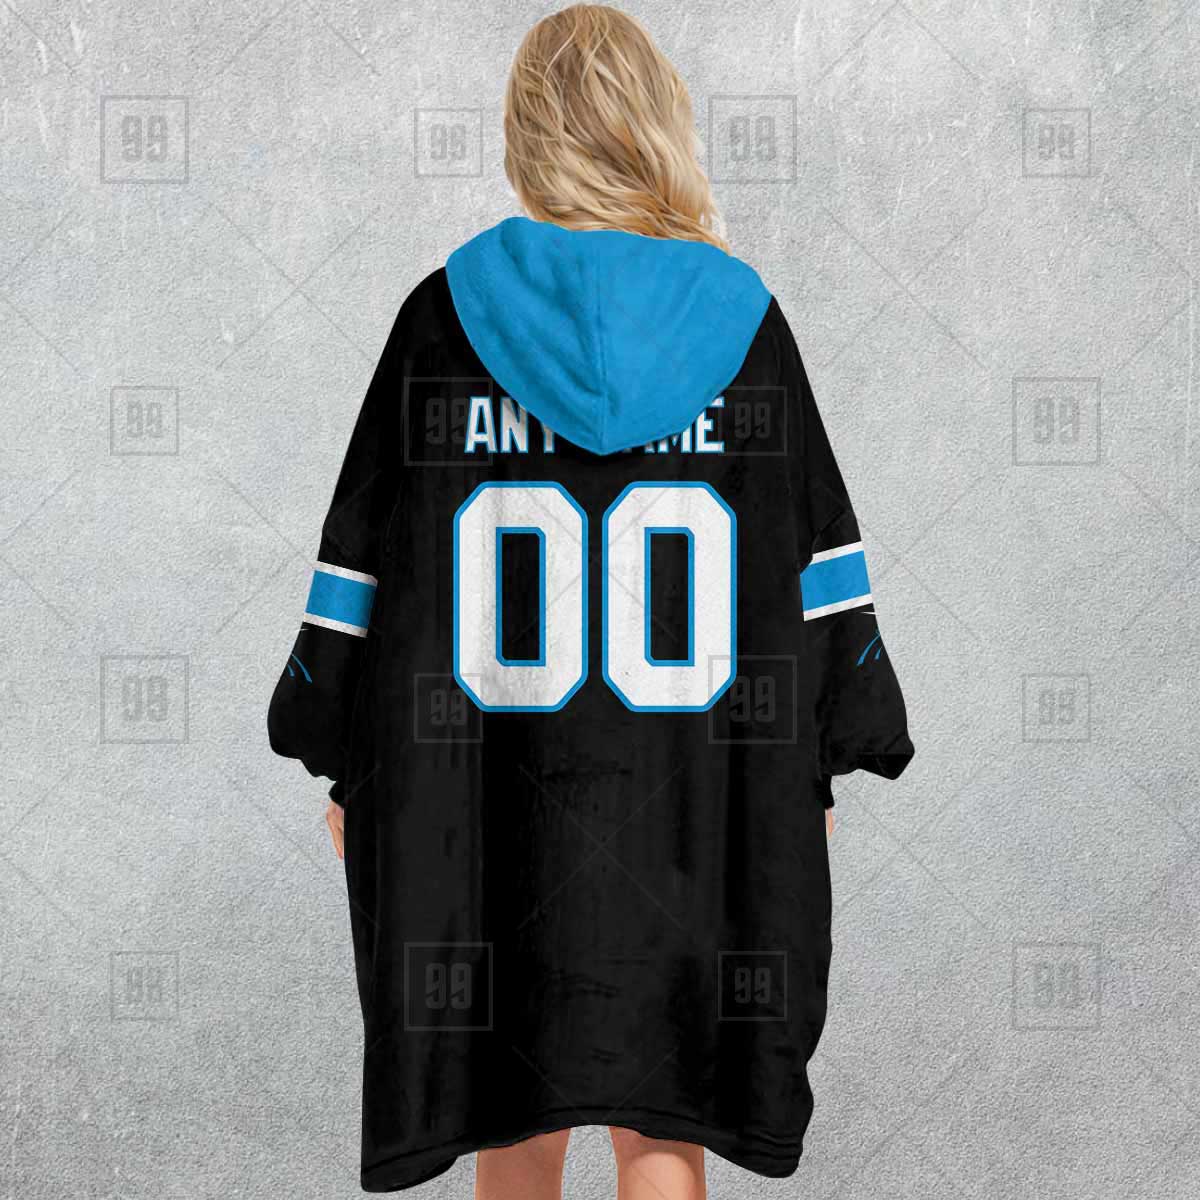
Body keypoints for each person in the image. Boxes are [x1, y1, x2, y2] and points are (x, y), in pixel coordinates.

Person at [268, 5, 913, 1196]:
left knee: (510, 1118)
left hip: (491, 823)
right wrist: (823, 763)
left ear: (528, 135)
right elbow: (821, 580)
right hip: (693, 824)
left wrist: (337, 750)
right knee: (665, 1129)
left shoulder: (440, 322)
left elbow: (359, 575)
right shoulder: (744, 326)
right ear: (657, 125)